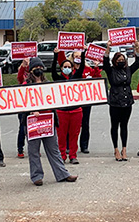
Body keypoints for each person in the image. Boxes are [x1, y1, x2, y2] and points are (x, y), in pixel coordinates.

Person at [21, 57, 78, 185]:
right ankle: (37, 177)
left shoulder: (48, 84)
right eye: (36, 68)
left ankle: (63, 174)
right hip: (33, 123)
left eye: (41, 67)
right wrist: (31, 110)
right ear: (31, 70)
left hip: (48, 121)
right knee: (34, 151)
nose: (39, 70)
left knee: (54, 149)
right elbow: (21, 102)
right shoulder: (26, 85)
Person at [103, 42, 139, 161]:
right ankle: (116, 149)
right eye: (119, 59)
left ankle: (124, 149)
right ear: (115, 61)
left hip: (127, 101)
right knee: (115, 126)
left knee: (124, 126)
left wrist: (136, 49)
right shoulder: (111, 71)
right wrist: (108, 49)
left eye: (123, 60)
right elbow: (105, 62)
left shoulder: (128, 70)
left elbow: (138, 62)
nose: (121, 61)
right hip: (115, 102)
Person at [51, 48, 85, 164]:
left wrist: (83, 53)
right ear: (61, 68)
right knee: (61, 135)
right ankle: (62, 155)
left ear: (72, 68)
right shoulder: (58, 79)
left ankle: (73, 155)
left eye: (69, 67)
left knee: (74, 135)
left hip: (76, 111)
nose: (67, 69)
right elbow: (52, 71)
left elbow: (82, 67)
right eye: (64, 67)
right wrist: (55, 55)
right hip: (62, 112)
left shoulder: (76, 77)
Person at [79, 56, 102, 154]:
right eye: (76, 56)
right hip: (73, 100)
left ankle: (84, 145)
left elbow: (97, 79)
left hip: (86, 100)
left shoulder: (88, 69)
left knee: (85, 123)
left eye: (80, 57)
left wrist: (96, 67)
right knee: (71, 125)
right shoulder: (71, 69)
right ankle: (68, 146)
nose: (78, 58)